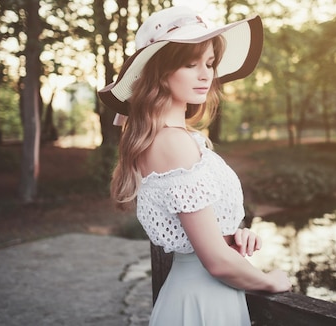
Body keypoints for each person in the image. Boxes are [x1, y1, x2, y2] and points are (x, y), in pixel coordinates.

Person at [98, 6, 292, 325]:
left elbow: (204, 235)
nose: (206, 74)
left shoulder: (179, 137)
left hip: (213, 295)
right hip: (202, 300)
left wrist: (232, 235)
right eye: (191, 64)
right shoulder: (171, 143)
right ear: (161, 73)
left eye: (210, 63)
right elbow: (214, 262)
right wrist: (272, 281)